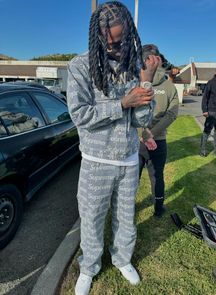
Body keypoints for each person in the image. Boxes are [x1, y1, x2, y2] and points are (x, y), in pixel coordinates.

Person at [67, 2, 159, 295]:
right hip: (96, 159)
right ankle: (90, 267)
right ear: (96, 35)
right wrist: (121, 103)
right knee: (92, 217)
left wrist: (145, 84)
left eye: (118, 40)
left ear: (128, 34)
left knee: (125, 216)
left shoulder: (134, 66)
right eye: (107, 40)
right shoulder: (80, 65)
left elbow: (142, 119)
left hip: (129, 159)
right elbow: (80, 114)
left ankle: (122, 259)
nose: (113, 46)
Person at [139, 44, 179, 218]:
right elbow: (172, 114)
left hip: (137, 141)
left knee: (131, 178)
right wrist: (152, 134)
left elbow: (129, 111)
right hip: (158, 140)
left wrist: (144, 133)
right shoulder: (169, 86)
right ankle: (158, 208)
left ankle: (124, 210)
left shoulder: (136, 83)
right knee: (157, 176)